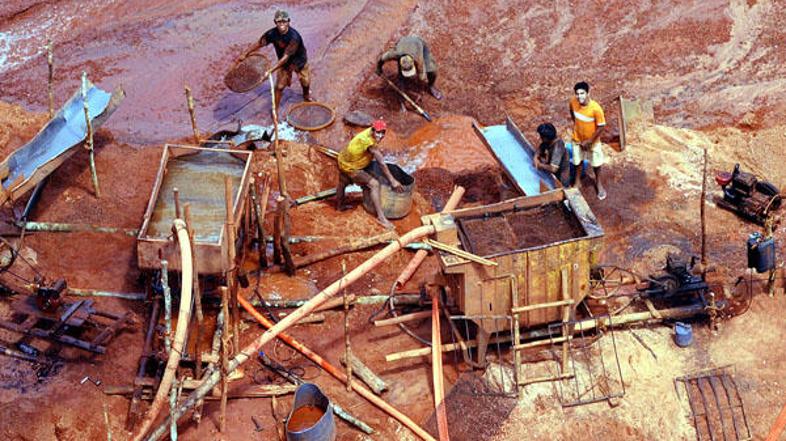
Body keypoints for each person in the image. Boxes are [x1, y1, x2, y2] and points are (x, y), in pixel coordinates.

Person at [336, 119, 404, 229]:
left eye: (383, 133)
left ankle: (340, 206)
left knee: (342, 183)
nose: (380, 136)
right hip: (351, 167)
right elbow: (381, 163)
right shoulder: (368, 142)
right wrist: (392, 181)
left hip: (343, 159)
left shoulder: (368, 133)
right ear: (372, 130)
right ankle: (381, 218)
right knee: (374, 184)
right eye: (378, 132)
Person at [240, 10, 311, 112]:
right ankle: (275, 109)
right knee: (279, 86)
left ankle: (306, 95)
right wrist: (245, 53)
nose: (282, 24)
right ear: (275, 22)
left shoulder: (294, 37)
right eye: (279, 22)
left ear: (288, 22)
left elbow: (286, 57)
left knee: (305, 81)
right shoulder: (271, 34)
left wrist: (270, 71)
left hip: (299, 61)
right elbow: (259, 44)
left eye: (284, 21)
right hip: (284, 64)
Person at [569, 81, 607, 200]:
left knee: (596, 163)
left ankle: (598, 184)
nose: (579, 96)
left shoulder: (596, 109)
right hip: (577, 139)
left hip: (592, 142)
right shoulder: (573, 102)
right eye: (577, 94)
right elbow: (573, 115)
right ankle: (577, 182)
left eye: (582, 93)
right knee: (577, 161)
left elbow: (601, 126)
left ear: (588, 93)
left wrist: (590, 140)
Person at [376, 35, 443, 101]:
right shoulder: (395, 54)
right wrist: (378, 68)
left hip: (419, 43)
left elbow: (421, 76)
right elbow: (381, 59)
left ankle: (431, 85)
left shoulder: (418, 59)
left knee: (432, 71)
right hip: (403, 43)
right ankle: (401, 79)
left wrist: (420, 92)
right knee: (401, 76)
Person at [534, 122, 571, 188]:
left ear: (546, 138)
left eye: (541, 137)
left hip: (560, 178)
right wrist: (536, 158)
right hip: (551, 172)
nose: (540, 138)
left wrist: (539, 165)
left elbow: (553, 169)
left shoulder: (558, 147)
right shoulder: (548, 142)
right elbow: (539, 149)